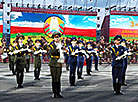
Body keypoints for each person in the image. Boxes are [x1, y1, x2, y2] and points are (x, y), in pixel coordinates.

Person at [48, 32, 64, 98]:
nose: (57, 38)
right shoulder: (51, 45)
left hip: (59, 62)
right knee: (54, 78)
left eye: (57, 37)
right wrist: (58, 49)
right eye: (55, 37)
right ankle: (54, 92)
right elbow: (51, 52)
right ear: (53, 38)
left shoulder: (61, 45)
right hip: (53, 62)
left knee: (58, 78)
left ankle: (58, 92)